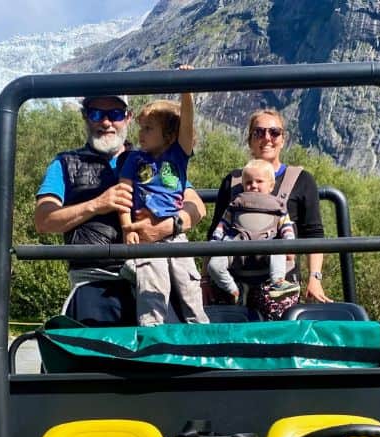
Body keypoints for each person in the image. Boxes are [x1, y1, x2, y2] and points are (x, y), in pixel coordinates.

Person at [34, 94, 206, 325]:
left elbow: (196, 207)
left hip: (153, 268)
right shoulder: (66, 163)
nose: (106, 123)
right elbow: (44, 220)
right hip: (96, 278)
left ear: (127, 118)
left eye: (114, 114)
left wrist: (169, 226)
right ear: (86, 117)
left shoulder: (154, 158)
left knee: (176, 331)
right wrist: (96, 205)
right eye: (96, 114)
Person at [209, 109, 332, 319]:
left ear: (283, 140)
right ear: (250, 140)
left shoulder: (302, 180)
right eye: (259, 132)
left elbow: (313, 233)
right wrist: (205, 279)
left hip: (279, 281)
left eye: (274, 132)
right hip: (232, 277)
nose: (267, 138)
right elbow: (215, 231)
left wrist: (315, 278)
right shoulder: (233, 181)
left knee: (277, 337)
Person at [117, 77, 208, 326]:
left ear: (168, 134)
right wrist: (127, 227)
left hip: (175, 236)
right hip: (145, 234)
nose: (141, 134)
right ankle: (151, 339)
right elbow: (123, 194)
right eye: (141, 128)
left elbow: (187, 124)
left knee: (189, 287)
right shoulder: (134, 160)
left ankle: (201, 337)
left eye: (148, 128)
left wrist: (186, 90)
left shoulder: (177, 156)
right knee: (152, 291)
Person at [207, 159, 300, 303]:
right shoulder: (236, 204)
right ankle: (233, 289)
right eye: (249, 182)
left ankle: (278, 282)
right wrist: (215, 241)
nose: (254, 186)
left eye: (259, 181)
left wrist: (290, 245)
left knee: (279, 250)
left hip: (267, 246)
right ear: (243, 185)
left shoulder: (277, 206)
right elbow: (223, 224)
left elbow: (286, 226)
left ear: (271, 186)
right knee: (214, 265)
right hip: (237, 245)